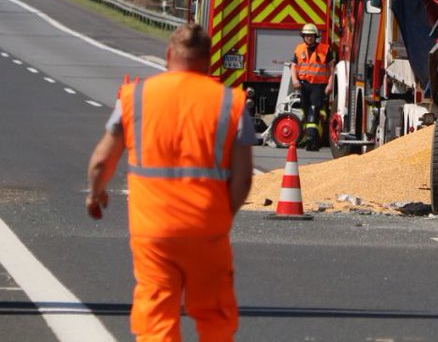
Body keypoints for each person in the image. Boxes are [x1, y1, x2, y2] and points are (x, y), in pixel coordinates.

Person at [86, 23, 255, 342]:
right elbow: (244, 177)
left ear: (168, 55)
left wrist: (95, 196)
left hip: (154, 233)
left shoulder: (134, 96)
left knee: (157, 318)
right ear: (207, 61)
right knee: (215, 317)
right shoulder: (230, 103)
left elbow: (100, 163)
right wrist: (221, 218)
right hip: (208, 231)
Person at [291, 22, 336, 151]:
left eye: (311, 36)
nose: (309, 38)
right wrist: (295, 80)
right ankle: (313, 141)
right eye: (306, 36)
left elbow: (332, 69)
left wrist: (330, 84)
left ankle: (311, 137)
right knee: (306, 111)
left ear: (316, 36)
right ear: (303, 37)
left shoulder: (325, 50)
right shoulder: (299, 49)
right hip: (304, 85)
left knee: (314, 109)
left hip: (319, 86)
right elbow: (293, 67)